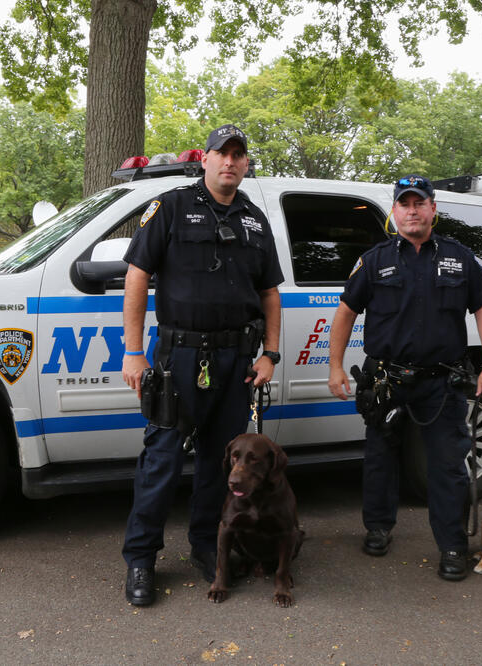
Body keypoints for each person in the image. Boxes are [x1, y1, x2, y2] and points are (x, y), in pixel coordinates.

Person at [120, 124, 284, 606]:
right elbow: (137, 276)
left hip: (237, 359)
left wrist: (269, 354)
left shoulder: (255, 219)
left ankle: (205, 547)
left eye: (239, 155)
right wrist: (133, 351)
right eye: (221, 153)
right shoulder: (170, 207)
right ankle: (141, 561)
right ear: (205, 159)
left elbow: (269, 292)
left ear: (246, 164)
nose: (230, 162)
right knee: (162, 461)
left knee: (221, 463)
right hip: (180, 357)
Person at [327, 174, 482, 581]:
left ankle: (453, 545)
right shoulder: (374, 260)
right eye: (404, 204)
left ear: (432, 209)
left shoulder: (460, 258)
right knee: (379, 459)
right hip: (387, 380)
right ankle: (378, 528)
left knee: (448, 466)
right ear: (394, 211)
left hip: (442, 383)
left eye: (419, 203)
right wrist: (336, 366)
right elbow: (345, 312)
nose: (412, 210)